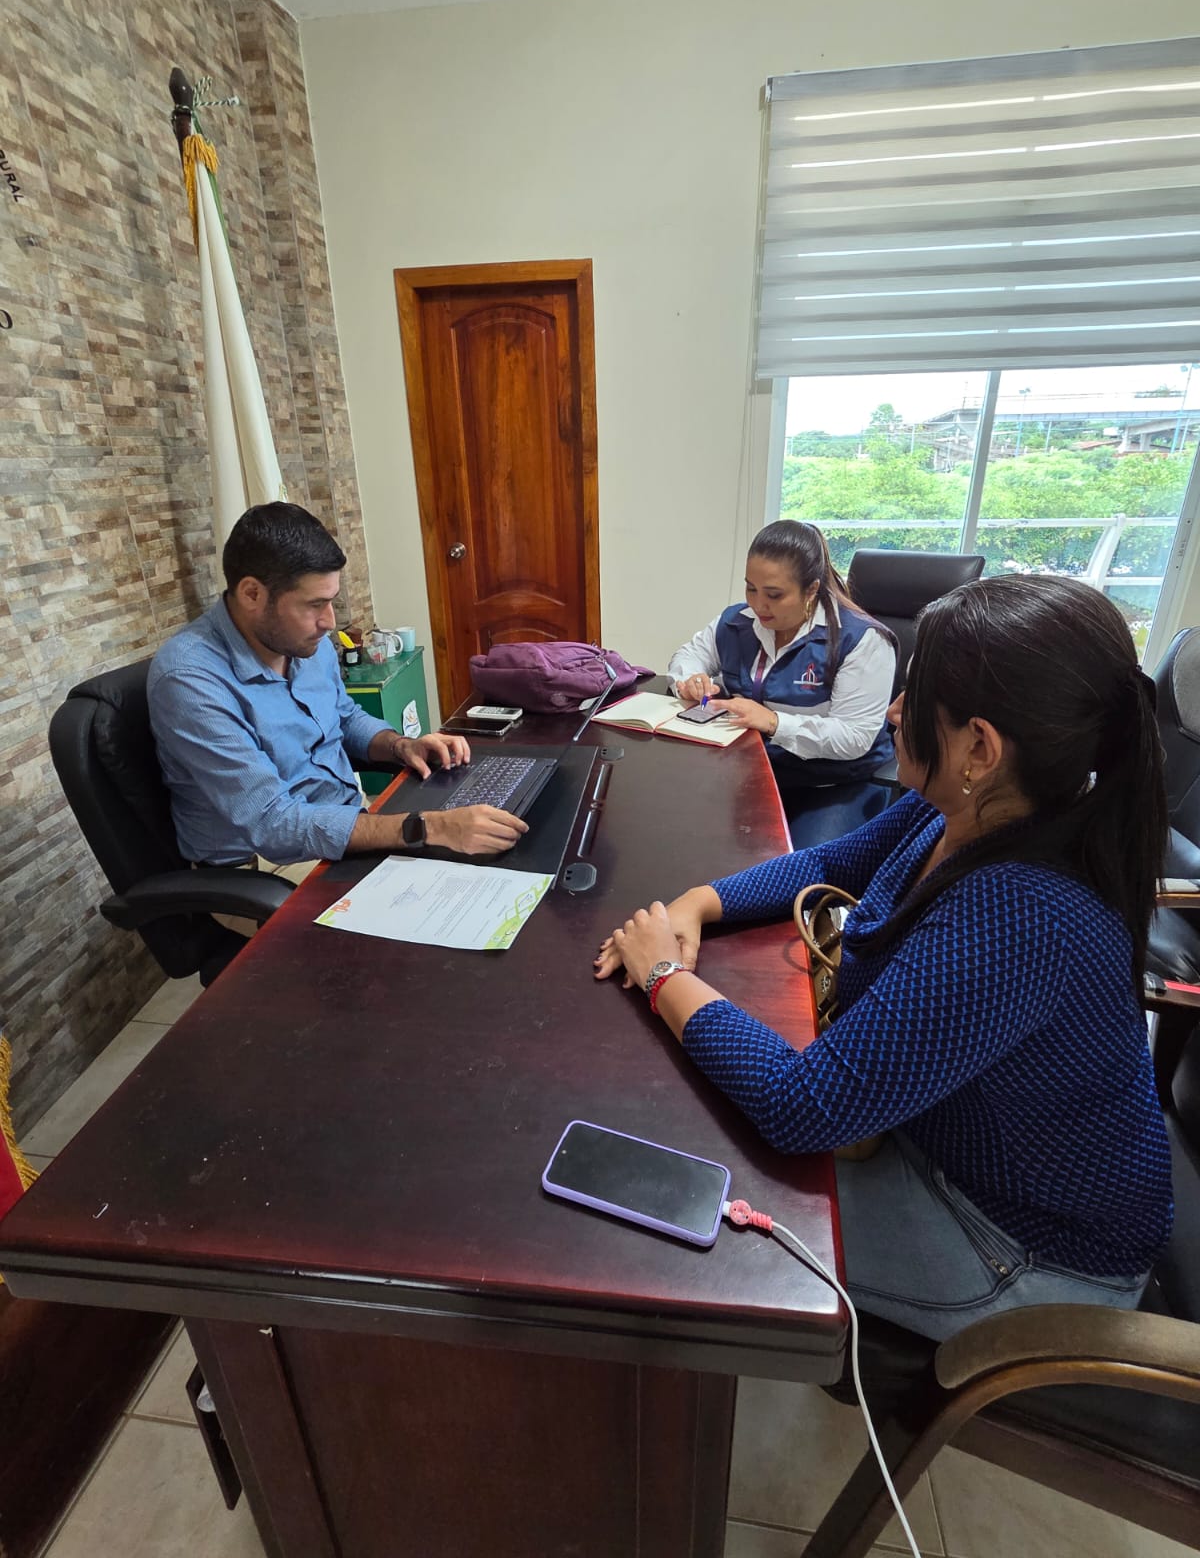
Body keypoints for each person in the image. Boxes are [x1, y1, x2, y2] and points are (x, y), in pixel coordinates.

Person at [595, 574, 1172, 1340]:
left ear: (979, 748)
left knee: (683, 1213)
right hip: (950, 1148)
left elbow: (801, 1107)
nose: (894, 712)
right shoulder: (970, 811)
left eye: (914, 696)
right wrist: (695, 904)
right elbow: (832, 860)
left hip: (1023, 1251)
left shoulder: (1021, 913)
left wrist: (663, 973)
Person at [149, 503, 527, 869]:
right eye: (315, 604)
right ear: (252, 594)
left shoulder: (300, 642)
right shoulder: (190, 680)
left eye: (331, 601)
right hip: (270, 865)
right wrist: (430, 828)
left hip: (344, 824)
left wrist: (400, 746)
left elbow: (343, 717)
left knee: (503, 854)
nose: (330, 621)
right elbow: (273, 824)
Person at [667, 521, 896, 848]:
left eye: (774, 595)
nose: (758, 605)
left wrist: (775, 723)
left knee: (797, 869)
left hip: (833, 783)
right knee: (688, 838)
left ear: (811, 590)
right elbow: (689, 656)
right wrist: (689, 680)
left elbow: (855, 736)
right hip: (756, 772)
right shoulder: (737, 622)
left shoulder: (860, 640)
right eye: (751, 589)